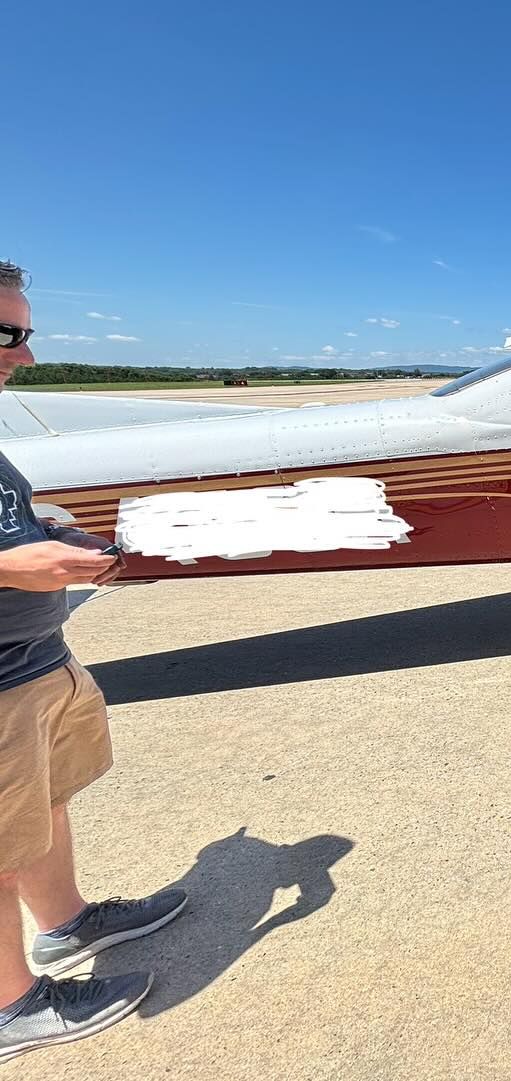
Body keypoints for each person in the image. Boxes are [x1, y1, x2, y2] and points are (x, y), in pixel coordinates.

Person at [0, 261, 186, 1064]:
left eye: (26, 332)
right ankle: (12, 1007)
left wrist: (59, 538)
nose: (27, 356)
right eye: (8, 334)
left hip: (36, 662)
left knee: (47, 806)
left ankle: (67, 924)